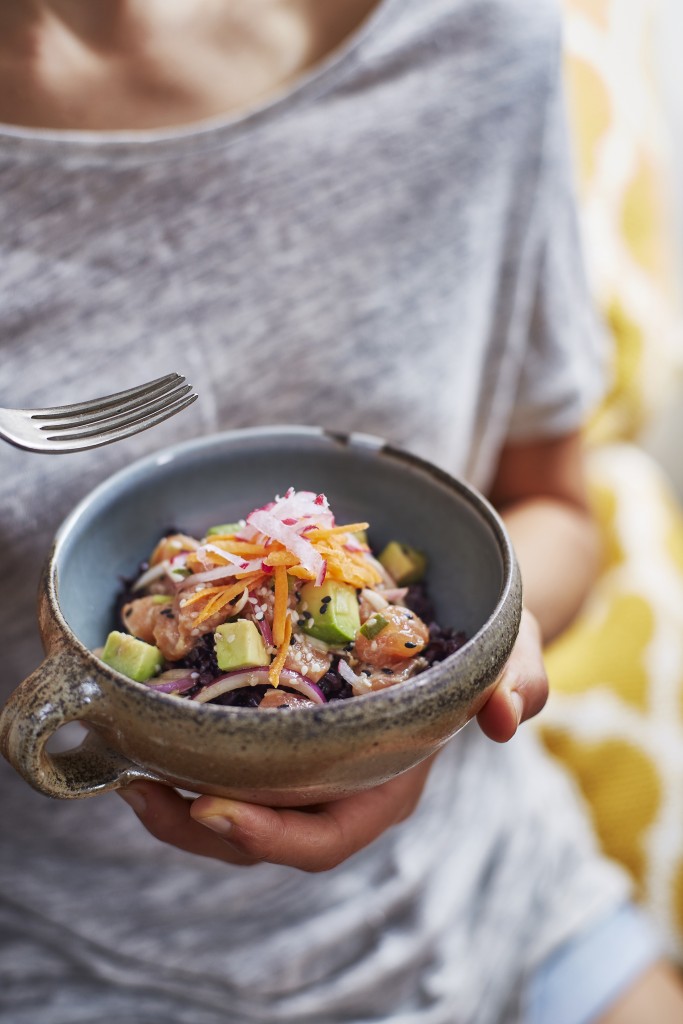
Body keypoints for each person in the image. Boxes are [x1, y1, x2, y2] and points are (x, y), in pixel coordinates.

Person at [1, 1, 682, 1021]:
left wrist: (460, 683)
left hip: (498, 894)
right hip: (85, 964)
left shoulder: (475, 36)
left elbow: (550, 506)